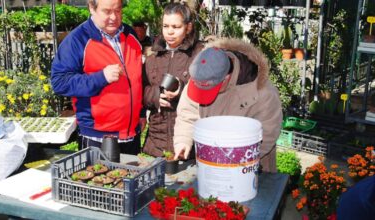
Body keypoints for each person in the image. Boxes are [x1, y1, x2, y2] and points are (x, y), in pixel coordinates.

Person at [173, 39, 283, 172]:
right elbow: (187, 114)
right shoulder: (203, 73)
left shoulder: (263, 92)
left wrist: (231, 161)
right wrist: (183, 140)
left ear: (226, 77)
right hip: (210, 164)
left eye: (209, 89)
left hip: (251, 169)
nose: (204, 92)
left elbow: (267, 134)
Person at [51, 0, 143, 155]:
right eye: (107, 11)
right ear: (91, 8)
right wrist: (101, 78)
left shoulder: (130, 34)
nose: (114, 17)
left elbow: (139, 78)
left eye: (118, 10)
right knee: (99, 179)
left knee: (131, 178)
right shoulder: (77, 40)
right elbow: (59, 82)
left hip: (131, 134)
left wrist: (141, 113)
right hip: (97, 136)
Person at [142, 2, 203, 157]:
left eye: (176, 27)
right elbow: (141, 90)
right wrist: (155, 96)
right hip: (156, 142)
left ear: (188, 28)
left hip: (189, 143)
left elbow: (208, 92)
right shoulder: (152, 58)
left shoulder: (200, 55)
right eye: (165, 26)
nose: (169, 32)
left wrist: (181, 90)